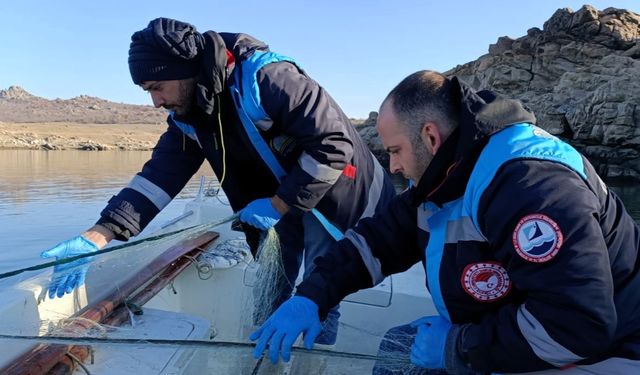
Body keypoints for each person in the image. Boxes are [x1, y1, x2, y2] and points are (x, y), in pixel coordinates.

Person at [250, 70, 640, 374]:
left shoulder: (530, 188)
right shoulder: (446, 176)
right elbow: (377, 241)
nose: (394, 167)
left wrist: (458, 346)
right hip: (518, 334)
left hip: (604, 354)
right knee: (398, 347)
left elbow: (577, 326)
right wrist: (312, 296)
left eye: (395, 151)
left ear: (430, 137)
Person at [40, 17, 395, 346]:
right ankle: (263, 350)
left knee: (320, 285)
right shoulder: (188, 115)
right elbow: (157, 180)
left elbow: (332, 145)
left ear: (184, 71)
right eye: (147, 91)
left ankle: (315, 357)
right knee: (273, 283)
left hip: (333, 193)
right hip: (277, 201)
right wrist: (96, 237)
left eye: (157, 87)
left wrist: (277, 205)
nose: (155, 101)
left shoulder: (268, 79)